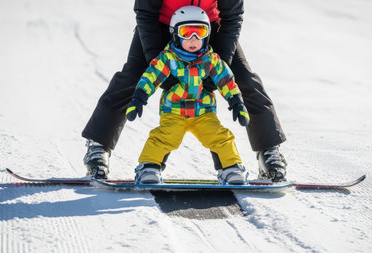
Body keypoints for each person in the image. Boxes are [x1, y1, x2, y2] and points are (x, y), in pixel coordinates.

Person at [82, 0, 287, 182]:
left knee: (243, 78)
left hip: (207, 29)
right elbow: (145, 12)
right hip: (161, 27)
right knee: (133, 75)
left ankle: (268, 151)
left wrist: (220, 64)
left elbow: (232, 16)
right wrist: (159, 63)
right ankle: (98, 146)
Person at [126, 6, 249, 185]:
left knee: (220, 137)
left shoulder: (211, 59)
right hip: (174, 111)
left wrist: (237, 102)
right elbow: (151, 76)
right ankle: (149, 167)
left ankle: (231, 169)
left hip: (203, 112)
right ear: (175, 33)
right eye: (187, 32)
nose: (194, 39)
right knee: (164, 137)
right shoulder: (167, 58)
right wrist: (139, 98)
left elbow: (226, 80)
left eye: (200, 32)